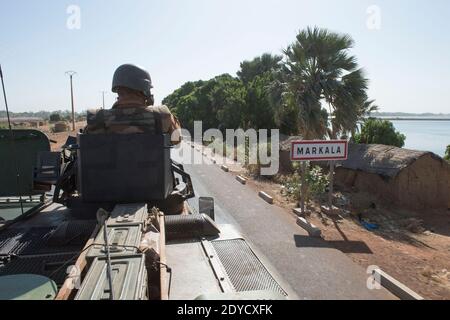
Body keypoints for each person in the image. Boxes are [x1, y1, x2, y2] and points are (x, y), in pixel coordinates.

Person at [84, 64, 181, 144]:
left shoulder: (97, 118)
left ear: (118, 90)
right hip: (152, 167)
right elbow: (177, 140)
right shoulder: (162, 115)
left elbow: (85, 147)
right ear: (145, 90)